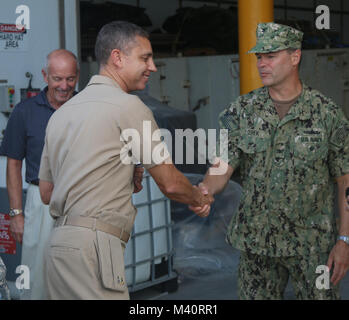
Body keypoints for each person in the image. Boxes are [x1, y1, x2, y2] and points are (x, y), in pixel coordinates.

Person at [38, 21, 213, 300]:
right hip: (94, 247)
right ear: (117, 57)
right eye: (145, 57)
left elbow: (47, 193)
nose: (153, 67)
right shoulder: (129, 107)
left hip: (58, 247)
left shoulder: (60, 115)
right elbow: (169, 183)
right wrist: (198, 197)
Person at [190, 22, 349, 300]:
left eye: (271, 56)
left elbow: (345, 180)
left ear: (295, 57)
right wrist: (203, 191)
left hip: (311, 245)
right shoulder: (241, 112)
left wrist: (344, 240)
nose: (262, 64)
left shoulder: (327, 114)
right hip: (257, 244)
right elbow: (222, 166)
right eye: (259, 57)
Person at [0, 49, 80, 299]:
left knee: (80, 275)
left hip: (81, 200)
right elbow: (13, 165)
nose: (64, 86)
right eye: (57, 78)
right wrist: (16, 214)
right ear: (45, 76)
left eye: (70, 79)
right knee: (36, 278)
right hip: (40, 202)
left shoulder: (87, 109)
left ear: (77, 77)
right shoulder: (24, 112)